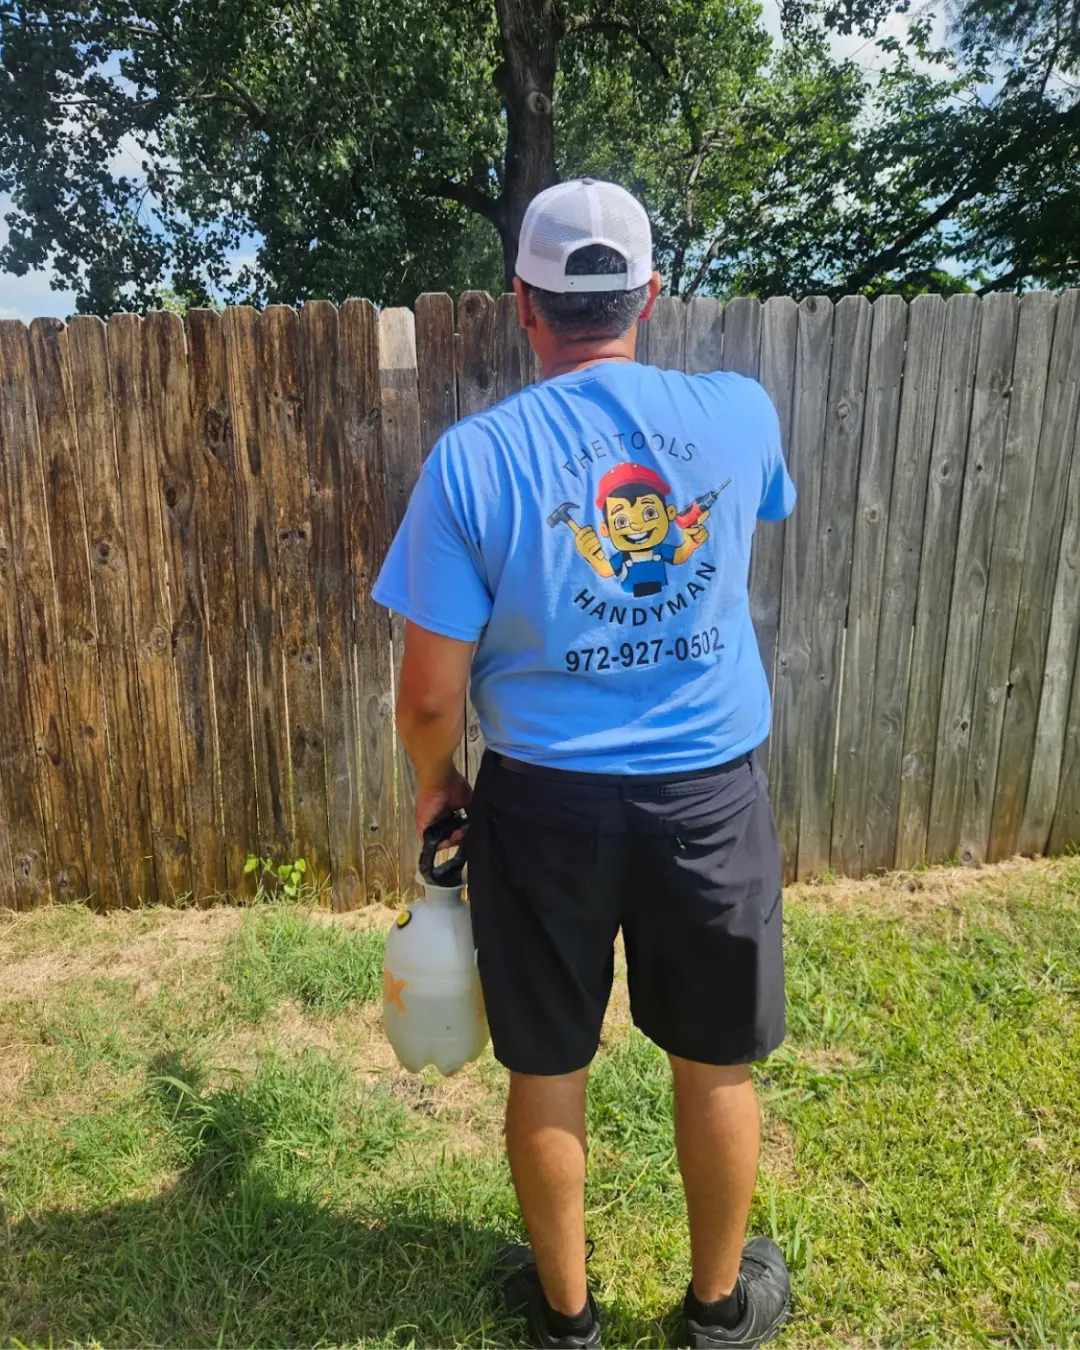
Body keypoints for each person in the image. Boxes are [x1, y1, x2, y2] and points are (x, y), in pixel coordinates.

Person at [373, 177, 797, 1350]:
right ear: (649, 296)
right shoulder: (740, 414)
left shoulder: (472, 462)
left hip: (543, 811)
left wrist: (436, 782)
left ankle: (568, 1323)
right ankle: (719, 1310)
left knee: (549, 1066)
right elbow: (753, 511)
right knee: (715, 1060)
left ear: (523, 302)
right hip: (708, 798)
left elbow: (429, 695)